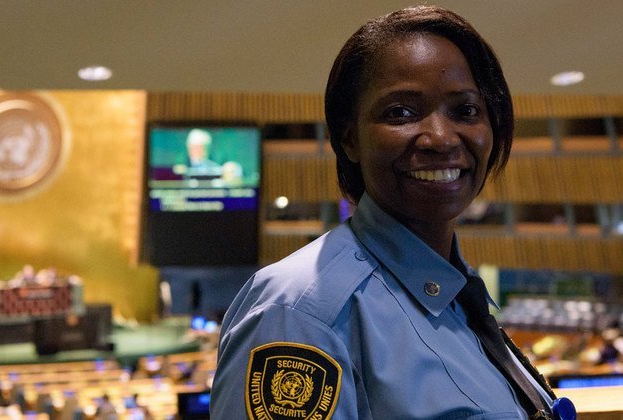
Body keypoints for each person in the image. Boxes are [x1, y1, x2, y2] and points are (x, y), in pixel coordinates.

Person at [211, 5, 575, 419]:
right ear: (348, 138)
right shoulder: (299, 314)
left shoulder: (457, 297)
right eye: (400, 112)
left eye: (466, 111)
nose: (440, 138)